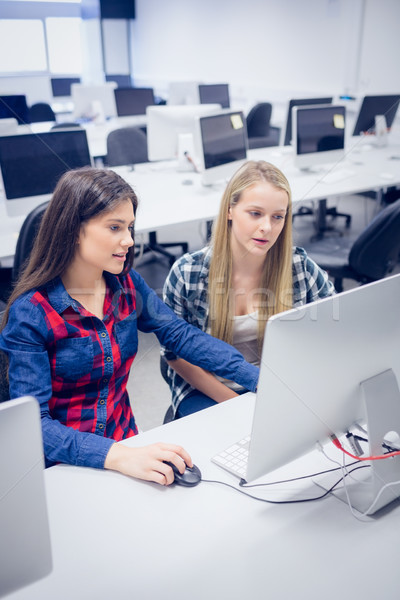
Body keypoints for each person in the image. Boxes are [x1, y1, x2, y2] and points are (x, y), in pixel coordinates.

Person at [0, 167, 259, 486]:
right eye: (114, 227)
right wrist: (119, 456)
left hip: (127, 446)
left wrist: (261, 380)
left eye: (130, 227)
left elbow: (181, 336)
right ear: (73, 229)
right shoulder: (31, 314)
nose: (128, 240)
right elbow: (35, 426)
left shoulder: (127, 287)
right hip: (63, 465)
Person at [162, 160, 335, 419]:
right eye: (255, 213)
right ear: (230, 210)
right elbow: (174, 355)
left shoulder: (298, 266)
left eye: (277, 217)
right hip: (208, 389)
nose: (267, 227)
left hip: (277, 384)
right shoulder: (188, 273)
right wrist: (238, 404)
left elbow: (335, 331)